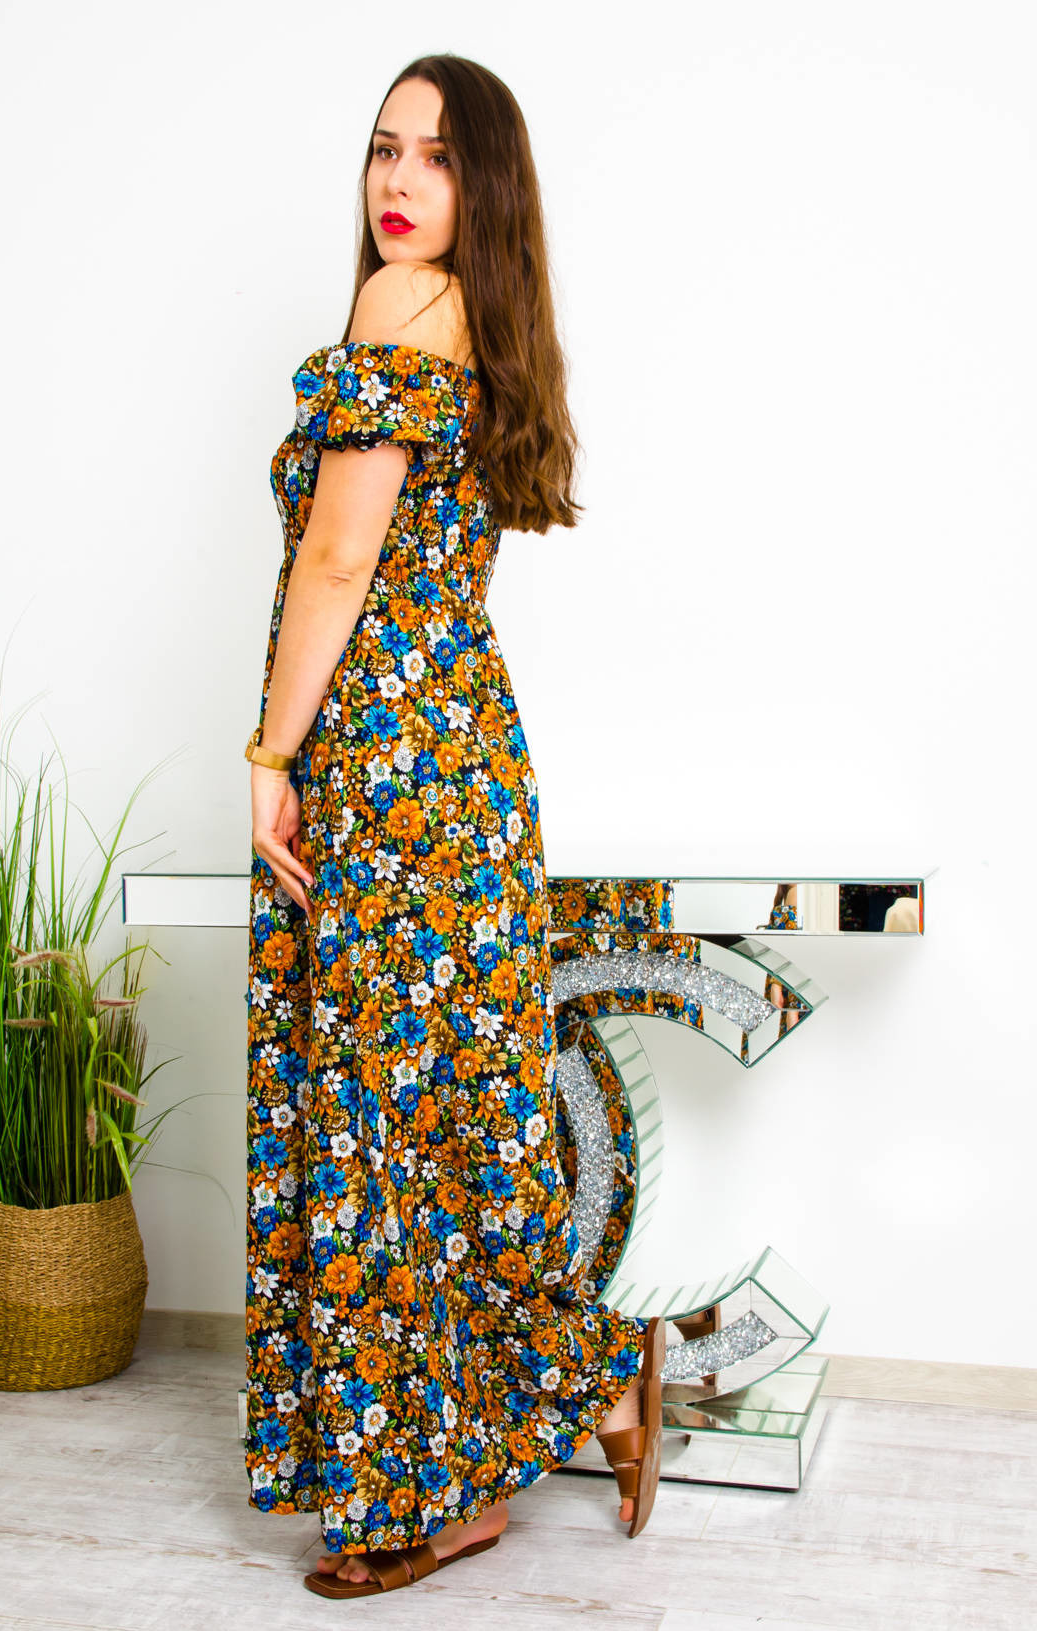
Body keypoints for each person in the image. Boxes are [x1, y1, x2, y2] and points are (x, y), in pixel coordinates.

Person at [244, 53, 665, 1599]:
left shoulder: (397, 308)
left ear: (482, 184)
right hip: (469, 765)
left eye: (433, 155)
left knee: (388, 1124)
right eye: (382, 150)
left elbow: (337, 560)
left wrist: (269, 749)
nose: (398, 181)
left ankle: (429, 1484)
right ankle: (574, 1399)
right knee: (458, 1128)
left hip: (385, 770)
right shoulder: (486, 320)